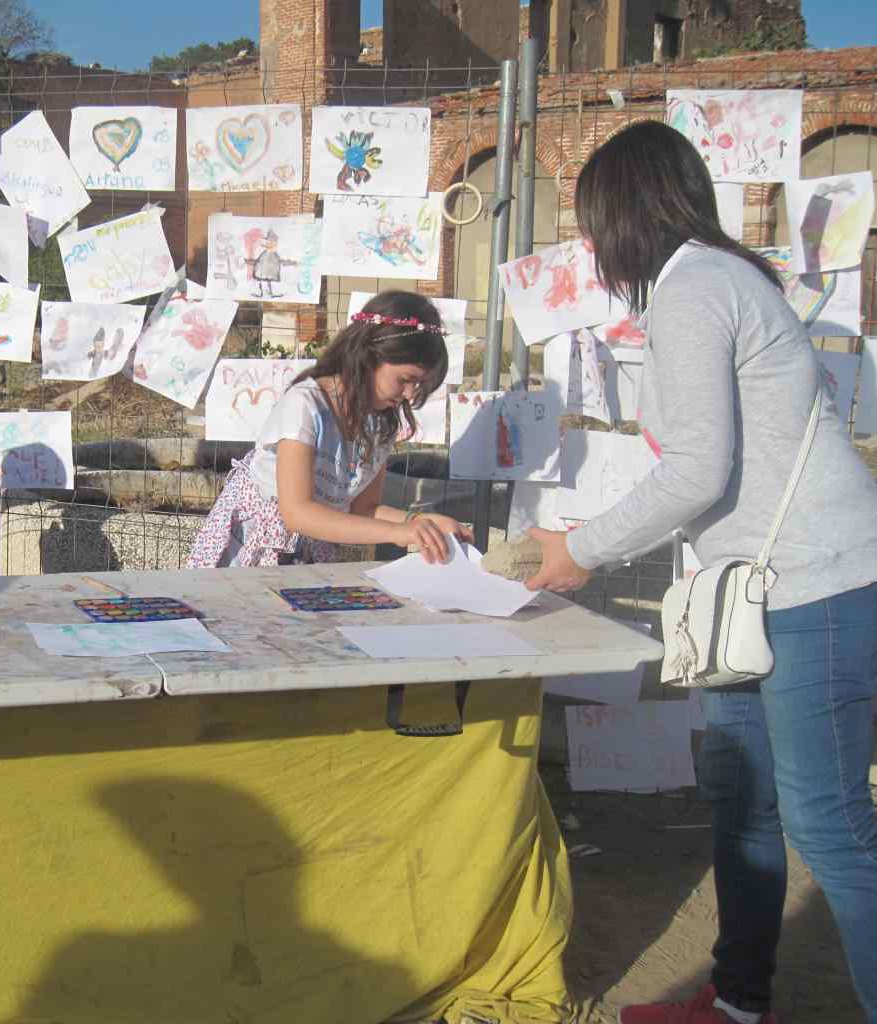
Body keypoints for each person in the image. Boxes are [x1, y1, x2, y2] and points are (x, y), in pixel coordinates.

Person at [522, 121, 877, 1024]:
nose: (592, 249)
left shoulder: (692, 291)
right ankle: (737, 1002)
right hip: (754, 595)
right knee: (743, 805)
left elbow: (693, 471)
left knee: (828, 827)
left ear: (630, 212)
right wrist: (592, 529)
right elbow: (697, 461)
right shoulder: (719, 280)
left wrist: (581, 551)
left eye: (593, 225)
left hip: (814, 589)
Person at [187, 290, 471, 569]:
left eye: (420, 385)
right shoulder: (305, 406)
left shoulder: (379, 425)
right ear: (370, 355)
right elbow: (297, 512)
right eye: (405, 379)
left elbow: (365, 510)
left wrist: (420, 524)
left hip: (304, 555)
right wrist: (398, 533)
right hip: (250, 553)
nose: (410, 395)